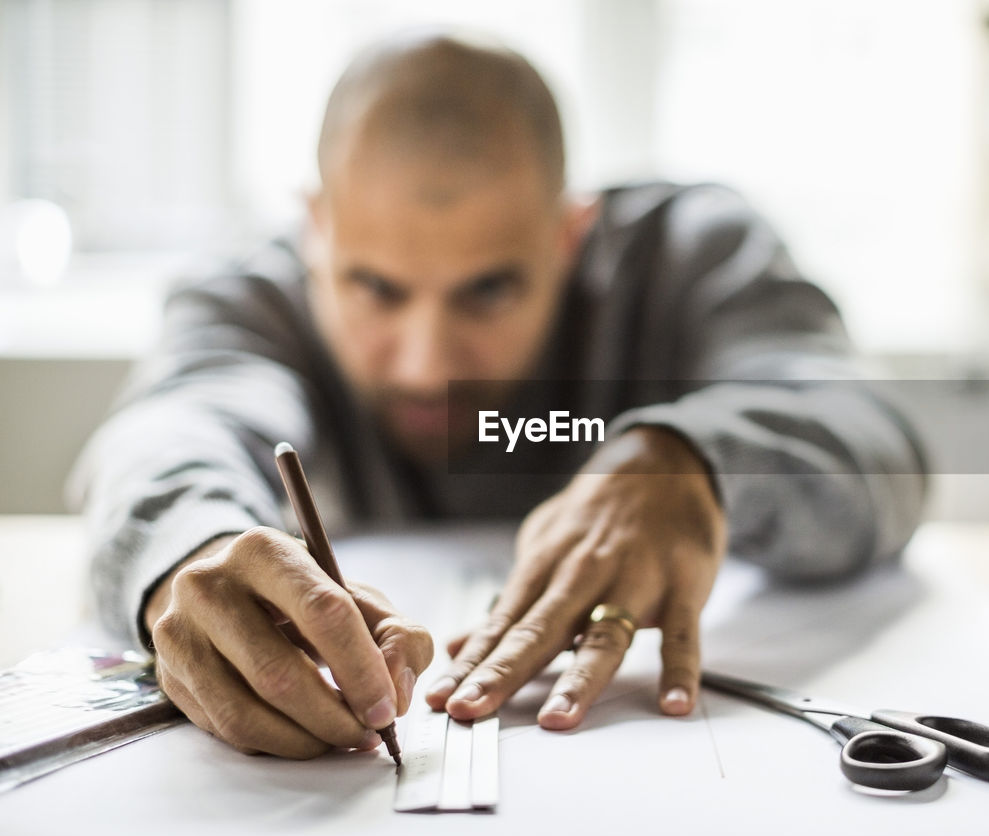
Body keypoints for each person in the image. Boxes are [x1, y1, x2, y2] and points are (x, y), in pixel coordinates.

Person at [70, 32, 927, 760]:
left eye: (487, 291)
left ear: (570, 235)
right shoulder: (250, 296)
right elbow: (168, 432)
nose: (424, 362)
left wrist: (691, 461)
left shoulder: (692, 253)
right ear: (315, 231)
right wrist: (193, 555)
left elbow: (874, 429)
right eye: (374, 286)